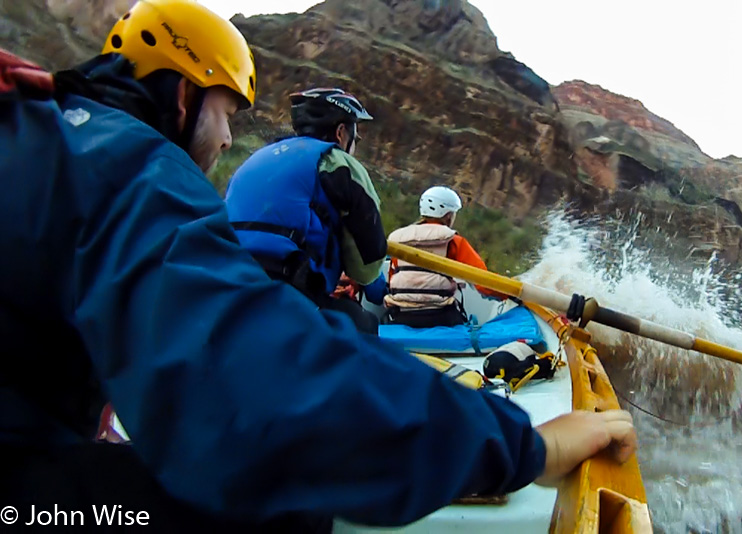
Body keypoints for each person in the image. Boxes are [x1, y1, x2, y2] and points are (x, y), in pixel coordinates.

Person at [0, 1, 636, 532]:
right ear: (185, 95)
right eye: (223, 113)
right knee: (281, 496)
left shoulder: (39, 125)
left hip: (224, 303)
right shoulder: (129, 164)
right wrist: (529, 446)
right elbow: (314, 325)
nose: (225, 139)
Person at [224, 87, 384, 335]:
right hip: (288, 289)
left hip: (230, 279)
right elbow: (367, 267)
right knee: (363, 325)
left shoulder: (259, 157)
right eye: (356, 138)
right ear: (341, 133)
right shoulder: (339, 163)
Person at [385, 186, 507, 328]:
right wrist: (509, 294)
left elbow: (392, 279)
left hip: (401, 316)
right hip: (440, 317)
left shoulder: (399, 240)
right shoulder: (453, 241)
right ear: (448, 216)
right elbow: (483, 282)